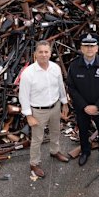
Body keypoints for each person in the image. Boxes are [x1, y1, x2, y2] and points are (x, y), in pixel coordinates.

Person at [18, 40, 70, 178]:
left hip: (55, 106)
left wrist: (64, 103)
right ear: (35, 54)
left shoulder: (55, 68)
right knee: (37, 139)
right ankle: (34, 163)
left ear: (50, 53)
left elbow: (61, 87)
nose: (43, 54)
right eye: (40, 52)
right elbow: (23, 96)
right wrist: (29, 116)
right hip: (38, 111)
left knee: (56, 131)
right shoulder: (28, 73)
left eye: (46, 52)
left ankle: (55, 151)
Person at [67, 33, 99, 166]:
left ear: (97, 48)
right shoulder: (74, 65)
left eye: (92, 46)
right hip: (82, 108)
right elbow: (72, 88)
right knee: (83, 130)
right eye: (86, 46)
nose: (89, 49)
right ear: (81, 48)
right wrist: (84, 106)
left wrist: (97, 106)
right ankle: (85, 151)